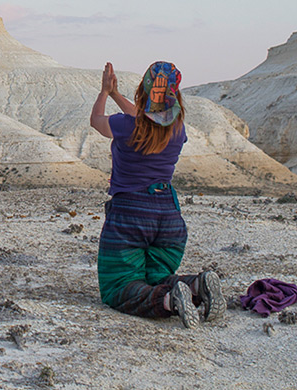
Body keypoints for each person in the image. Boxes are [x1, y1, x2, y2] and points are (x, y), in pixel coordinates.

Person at [89, 61, 225, 328]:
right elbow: (146, 117)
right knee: (156, 275)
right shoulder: (178, 129)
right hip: (169, 216)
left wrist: (105, 92)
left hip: (130, 214)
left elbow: (96, 122)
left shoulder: (126, 126)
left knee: (119, 285)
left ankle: (170, 301)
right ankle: (197, 285)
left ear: (144, 90)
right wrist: (117, 94)